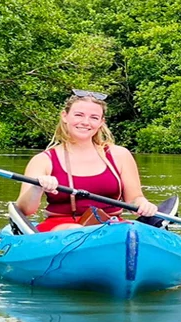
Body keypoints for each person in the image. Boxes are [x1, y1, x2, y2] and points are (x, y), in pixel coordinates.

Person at [16, 89, 158, 232]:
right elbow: (25, 210)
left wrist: (143, 204)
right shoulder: (43, 160)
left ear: (101, 122)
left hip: (112, 227)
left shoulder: (120, 155)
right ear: (65, 116)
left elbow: (134, 199)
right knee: (76, 229)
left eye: (94, 117)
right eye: (79, 115)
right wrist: (37, 187)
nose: (85, 122)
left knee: (126, 230)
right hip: (62, 229)